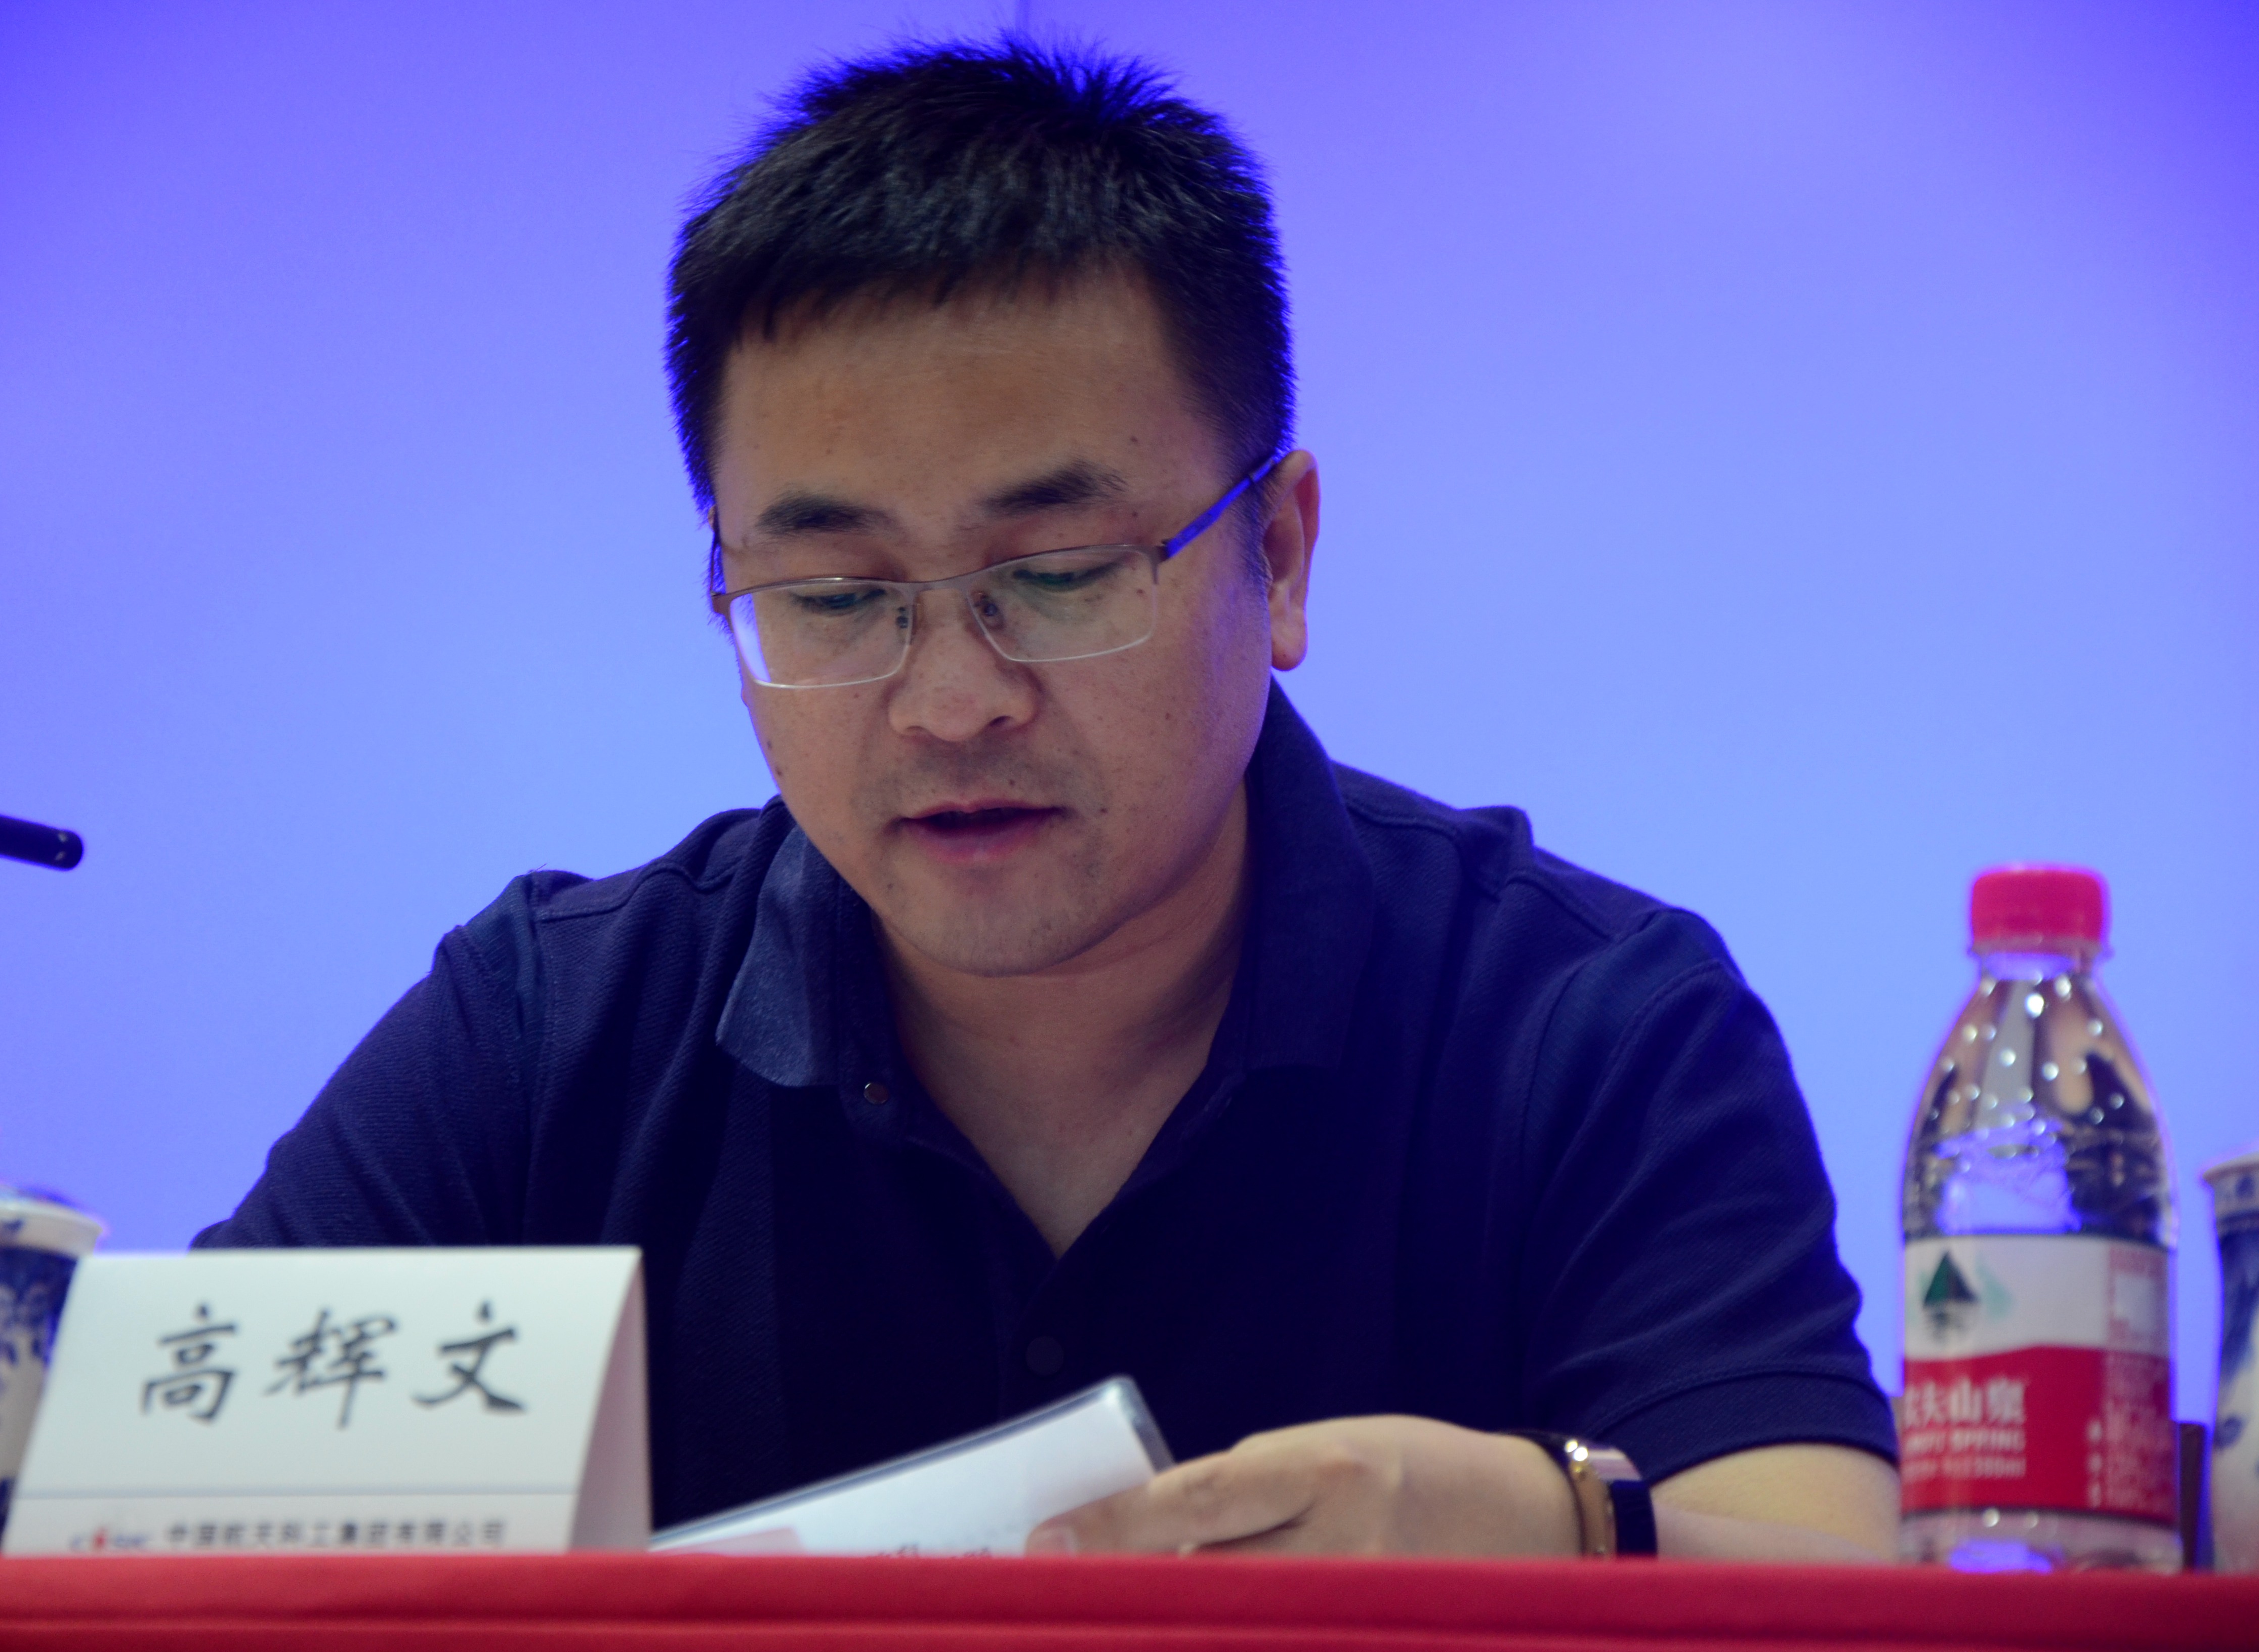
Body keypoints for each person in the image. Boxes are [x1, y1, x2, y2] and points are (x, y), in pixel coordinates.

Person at [198, 39, 1899, 1561]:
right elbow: (160, 1523)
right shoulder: (547, 1037)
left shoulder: (1588, 1026)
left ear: (1279, 554)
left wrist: (1557, 1532)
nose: (952, 701)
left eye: (1061, 573)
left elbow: (1839, 1581)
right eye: (835, 596)